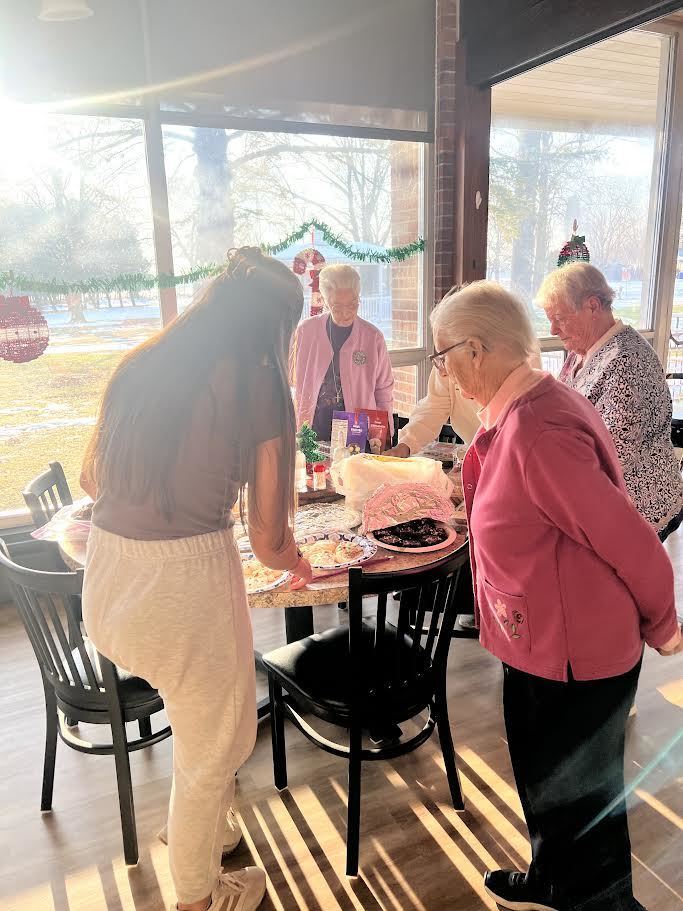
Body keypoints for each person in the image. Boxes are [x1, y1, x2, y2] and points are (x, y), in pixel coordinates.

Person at [431, 280, 682, 911]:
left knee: (584, 803)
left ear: (479, 351)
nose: (444, 371)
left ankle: (604, 904)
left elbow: (630, 538)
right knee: (546, 783)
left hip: (579, 658)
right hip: (540, 643)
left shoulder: (538, 428)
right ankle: (551, 878)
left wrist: (664, 620)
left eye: (445, 356)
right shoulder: (521, 409)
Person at [80, 248, 313, 911]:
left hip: (109, 580)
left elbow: (92, 479)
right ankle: (197, 896)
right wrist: (300, 560)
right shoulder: (260, 382)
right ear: (275, 324)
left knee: (203, 731)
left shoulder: (145, 358)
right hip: (185, 586)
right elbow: (269, 543)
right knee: (217, 743)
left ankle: (201, 824)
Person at [537, 262, 683, 541]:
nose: (553, 329)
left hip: (642, 503)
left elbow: (613, 453)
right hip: (609, 496)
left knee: (622, 582)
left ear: (593, 306)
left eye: (559, 317)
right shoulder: (582, 349)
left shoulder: (627, 360)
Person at [291, 263, 394, 441]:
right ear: (325, 301)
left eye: (353, 304)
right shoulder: (306, 330)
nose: (346, 313)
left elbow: (383, 390)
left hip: (357, 431)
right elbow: (295, 379)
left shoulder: (373, 337)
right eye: (337, 307)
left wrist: (384, 435)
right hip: (313, 426)